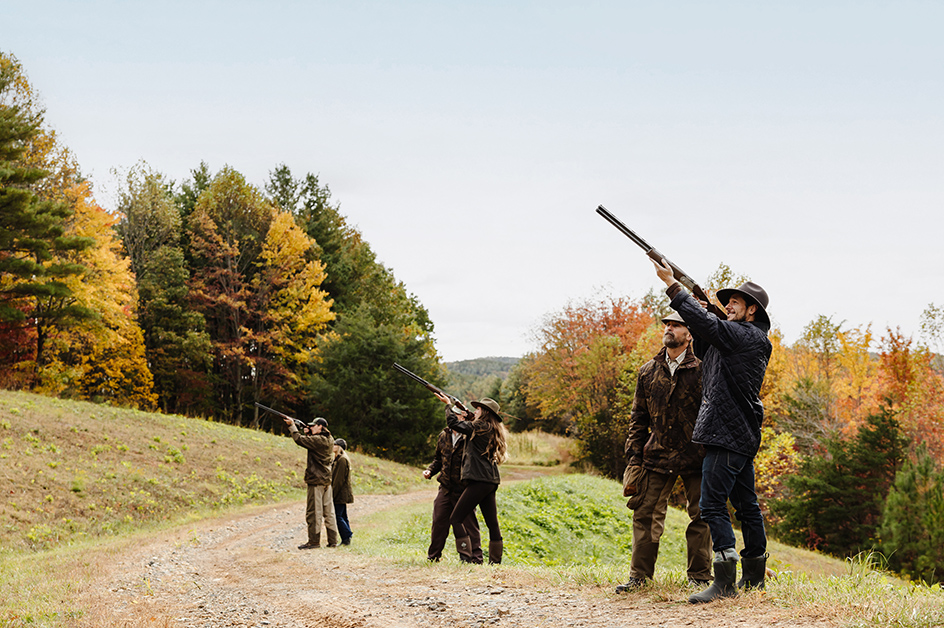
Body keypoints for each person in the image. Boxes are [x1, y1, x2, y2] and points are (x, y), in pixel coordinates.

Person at [653, 259, 773, 603]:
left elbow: (712, 328)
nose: (729, 305)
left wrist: (673, 287)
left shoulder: (748, 336)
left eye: (735, 302)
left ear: (752, 311)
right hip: (736, 434)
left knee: (711, 505)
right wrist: (702, 310)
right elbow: (707, 344)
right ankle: (754, 579)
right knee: (746, 505)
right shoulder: (738, 338)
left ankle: (724, 582)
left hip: (726, 433)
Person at [616, 310, 711, 593]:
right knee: (644, 515)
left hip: (698, 456)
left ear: (689, 333)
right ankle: (639, 578)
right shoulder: (647, 371)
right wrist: (634, 458)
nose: (669, 328)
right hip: (656, 456)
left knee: (702, 516)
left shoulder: (704, 369)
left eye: (676, 325)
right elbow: (638, 419)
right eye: (667, 324)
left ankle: (700, 578)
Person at [435, 394, 506, 565]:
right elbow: (466, 426)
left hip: (479, 481)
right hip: (490, 481)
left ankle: (467, 557)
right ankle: (495, 563)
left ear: (485, 412)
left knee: (456, 518)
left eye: (478, 409)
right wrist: (468, 417)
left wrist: (447, 405)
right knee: (492, 523)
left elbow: (453, 423)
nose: (475, 411)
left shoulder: (481, 426)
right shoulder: (487, 427)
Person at [423, 426, 484, 562]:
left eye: (458, 415)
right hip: (445, 488)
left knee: (469, 525)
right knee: (439, 521)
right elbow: (438, 460)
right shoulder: (443, 435)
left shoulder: (470, 436)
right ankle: (433, 557)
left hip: (464, 489)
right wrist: (430, 471)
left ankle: (475, 558)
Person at [282, 415, 340, 549]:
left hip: (316, 481)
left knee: (314, 513)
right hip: (326, 481)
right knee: (329, 513)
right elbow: (312, 442)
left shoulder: (319, 440)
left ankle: (314, 542)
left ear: (321, 427)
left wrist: (292, 426)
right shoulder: (329, 439)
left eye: (313, 425)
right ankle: (333, 541)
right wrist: (308, 433)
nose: (311, 427)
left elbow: (299, 440)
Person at [332, 438, 354, 546]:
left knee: (338, 516)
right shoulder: (338, 458)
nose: (333, 446)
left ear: (339, 447)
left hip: (341, 493)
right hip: (341, 492)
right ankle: (347, 538)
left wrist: (332, 494)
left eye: (335, 444)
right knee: (343, 515)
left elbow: (338, 480)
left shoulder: (342, 460)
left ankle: (347, 536)